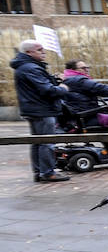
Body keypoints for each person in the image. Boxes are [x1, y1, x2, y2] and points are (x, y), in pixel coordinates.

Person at [10, 40, 71, 182]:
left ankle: (39, 172)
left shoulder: (25, 67)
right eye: (39, 49)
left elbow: (38, 86)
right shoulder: (32, 68)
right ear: (28, 52)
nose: (43, 52)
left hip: (34, 109)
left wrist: (53, 79)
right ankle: (48, 173)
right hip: (42, 110)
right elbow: (47, 90)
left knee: (37, 141)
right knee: (46, 141)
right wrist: (62, 88)